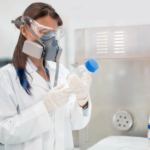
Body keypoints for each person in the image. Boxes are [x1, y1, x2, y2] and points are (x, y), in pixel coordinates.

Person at [0, 2, 92, 150]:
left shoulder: (61, 72)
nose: (50, 39)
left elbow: (77, 123)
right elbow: (3, 133)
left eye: (54, 33)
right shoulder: (6, 77)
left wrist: (82, 101)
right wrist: (45, 107)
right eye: (43, 31)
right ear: (24, 30)